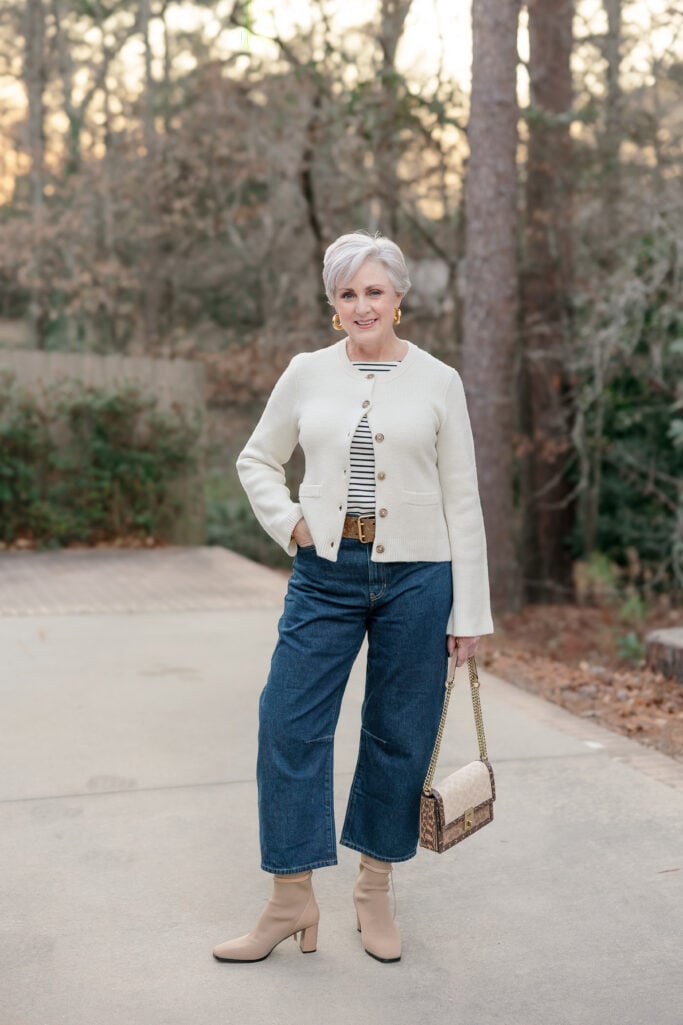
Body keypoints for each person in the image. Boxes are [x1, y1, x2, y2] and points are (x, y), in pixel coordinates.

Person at [212, 231, 493, 965]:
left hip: (418, 577)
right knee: (287, 721)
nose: (362, 304)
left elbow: (462, 499)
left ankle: (374, 887)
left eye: (374, 291)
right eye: (347, 294)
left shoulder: (439, 380)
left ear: (398, 298)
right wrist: (293, 523)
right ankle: (290, 898)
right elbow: (256, 457)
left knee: (399, 732)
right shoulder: (307, 372)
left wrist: (469, 615)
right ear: (332, 305)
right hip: (325, 574)